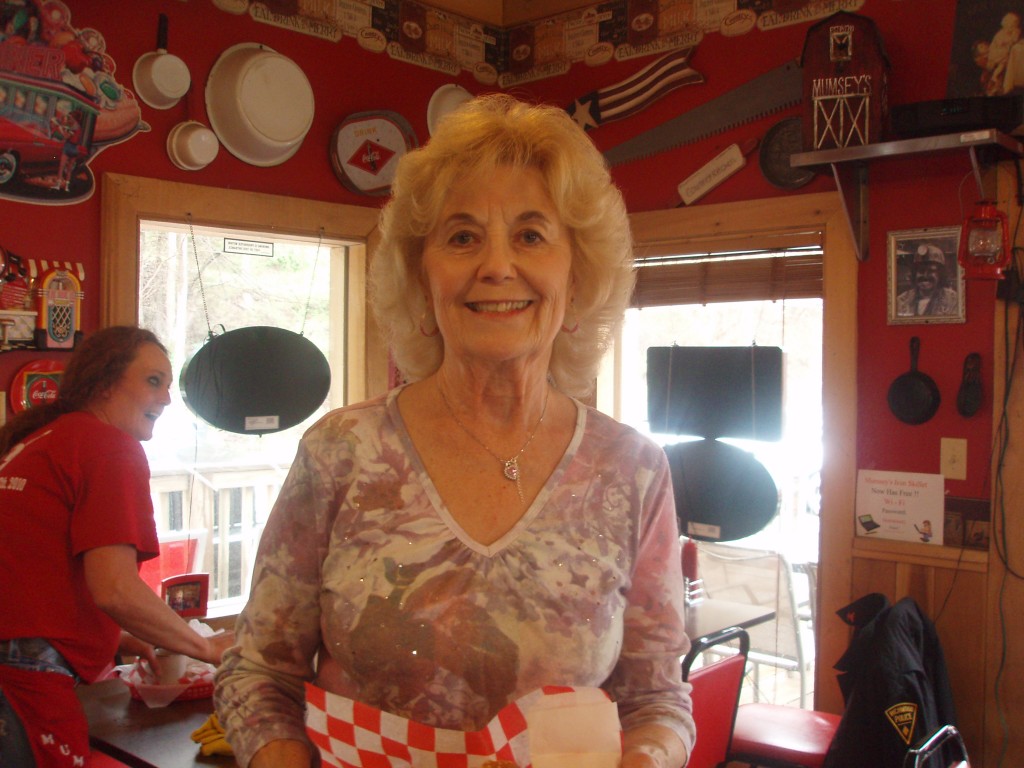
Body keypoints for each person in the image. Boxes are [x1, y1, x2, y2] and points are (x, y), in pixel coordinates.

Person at [215, 94, 693, 768]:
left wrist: (643, 760)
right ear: (420, 275)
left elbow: (656, 699)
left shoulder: (632, 469)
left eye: (531, 234)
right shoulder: (342, 453)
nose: (496, 266)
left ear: (577, 272)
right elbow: (259, 676)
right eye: (462, 236)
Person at [0, 326, 235, 768]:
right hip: (26, 673)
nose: (166, 398)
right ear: (104, 382)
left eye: (168, 385)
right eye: (153, 380)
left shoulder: (42, 440)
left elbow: (31, 566)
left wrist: (122, 634)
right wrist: (204, 647)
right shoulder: (109, 446)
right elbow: (113, 588)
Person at [895, 244, 959, 317]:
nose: (925, 275)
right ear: (914, 274)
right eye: (921, 271)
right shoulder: (901, 301)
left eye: (931, 271)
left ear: (940, 274)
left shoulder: (953, 300)